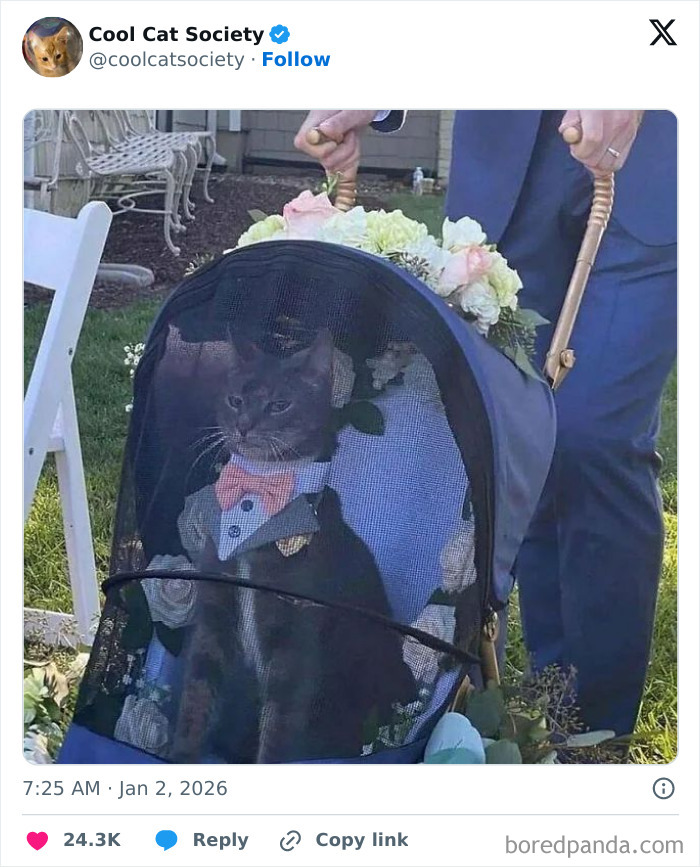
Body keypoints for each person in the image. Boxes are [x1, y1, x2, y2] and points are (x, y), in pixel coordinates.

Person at [294, 109, 677, 737]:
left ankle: (595, 740)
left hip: (656, 148)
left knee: (593, 437)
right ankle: (548, 703)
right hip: (508, 155)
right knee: (510, 426)